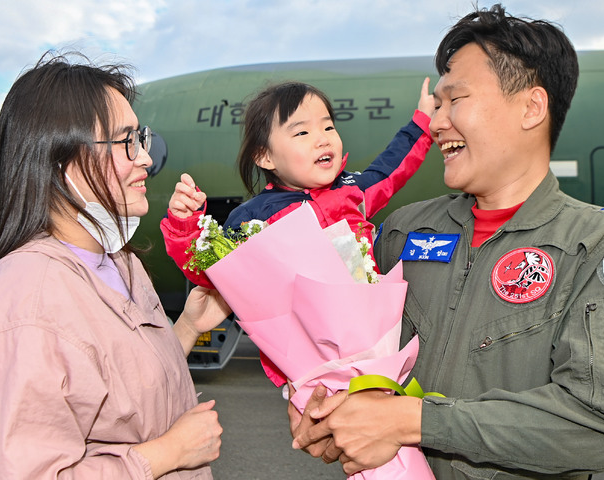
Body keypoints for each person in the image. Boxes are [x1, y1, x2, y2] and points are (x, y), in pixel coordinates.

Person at [291, 4, 604, 479]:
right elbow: (359, 363)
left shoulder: (600, 246)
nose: (437, 122)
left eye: (453, 100)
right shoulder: (403, 232)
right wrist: (322, 406)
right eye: (436, 105)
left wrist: (419, 422)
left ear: (531, 107)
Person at [0, 52, 230, 479]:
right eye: (126, 141)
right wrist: (167, 453)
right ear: (61, 160)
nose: (147, 159)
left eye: (142, 138)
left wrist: (188, 327)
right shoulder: (24, 308)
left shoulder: (120, 264)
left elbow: (119, 389)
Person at [161, 79, 434, 385]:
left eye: (328, 128)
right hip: (309, 372)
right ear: (265, 157)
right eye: (302, 132)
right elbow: (213, 272)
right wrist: (184, 224)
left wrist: (422, 123)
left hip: (378, 349)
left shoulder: (352, 192)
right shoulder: (255, 217)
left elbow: (391, 167)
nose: (322, 139)